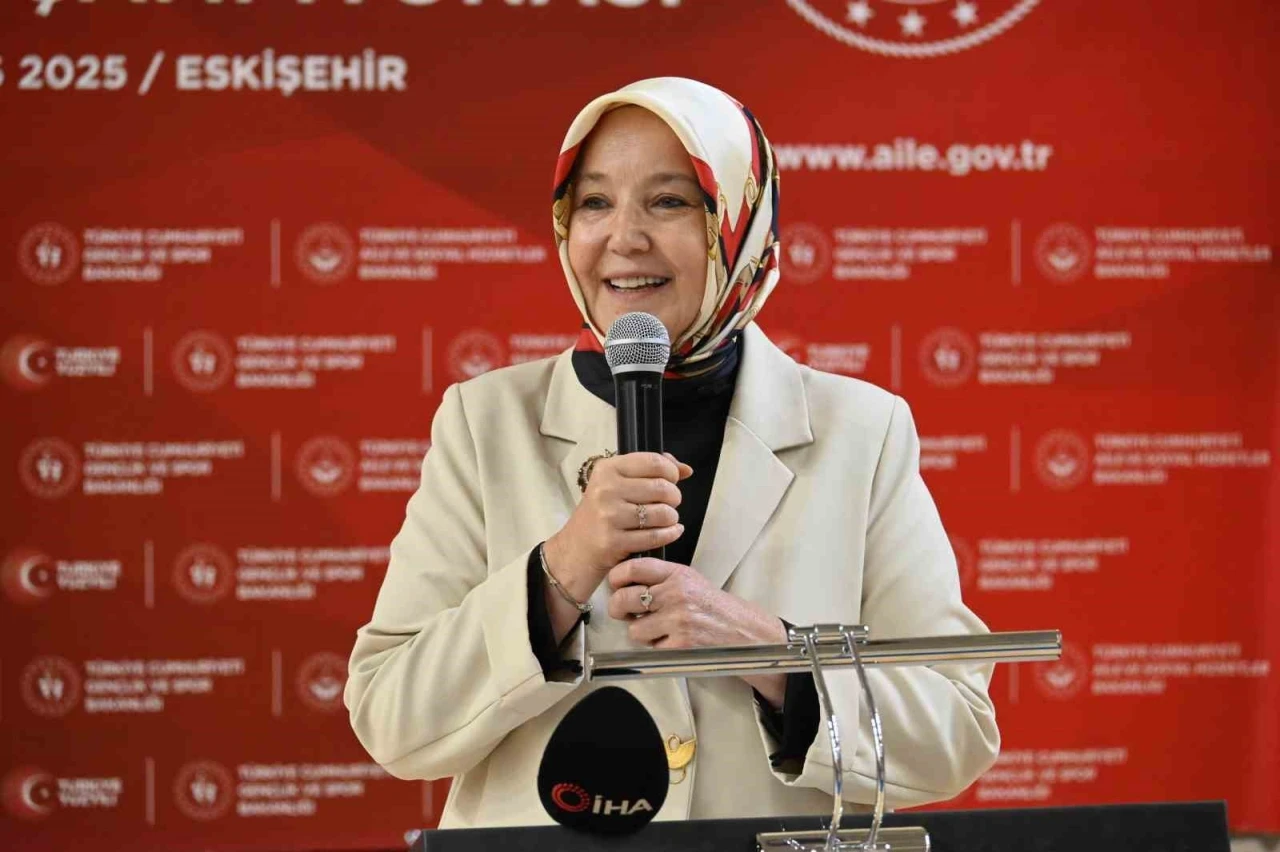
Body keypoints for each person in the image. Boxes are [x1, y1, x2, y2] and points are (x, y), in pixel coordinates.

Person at [345, 77, 999, 829]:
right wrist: (561, 568)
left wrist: (769, 651)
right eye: (594, 202)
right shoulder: (485, 421)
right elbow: (393, 720)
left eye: (669, 201)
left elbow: (954, 729)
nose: (623, 237)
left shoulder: (862, 430)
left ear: (739, 222)